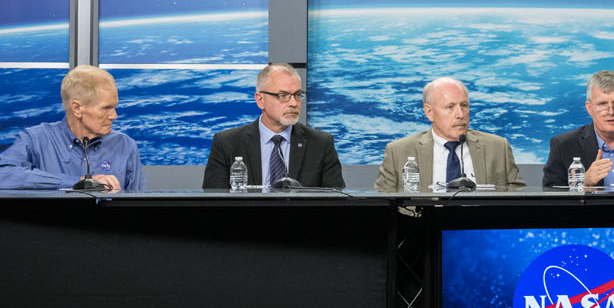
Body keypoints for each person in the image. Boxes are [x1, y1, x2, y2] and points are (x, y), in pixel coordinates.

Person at [0, 65, 146, 191]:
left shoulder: (125, 145)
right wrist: (77, 182)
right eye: (106, 108)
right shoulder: (35, 139)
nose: (114, 115)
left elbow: (138, 205)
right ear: (77, 108)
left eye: (114, 107)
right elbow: (3, 176)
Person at [201, 63, 345, 189]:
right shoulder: (227, 143)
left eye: (297, 94)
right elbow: (213, 200)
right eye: (283, 96)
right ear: (260, 100)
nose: (293, 103)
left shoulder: (321, 143)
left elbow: (337, 201)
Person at [375, 77, 523, 191]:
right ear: (429, 112)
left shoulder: (497, 147)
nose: (460, 114)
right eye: (450, 107)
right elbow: (384, 202)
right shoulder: (399, 151)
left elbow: (517, 196)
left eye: (464, 105)